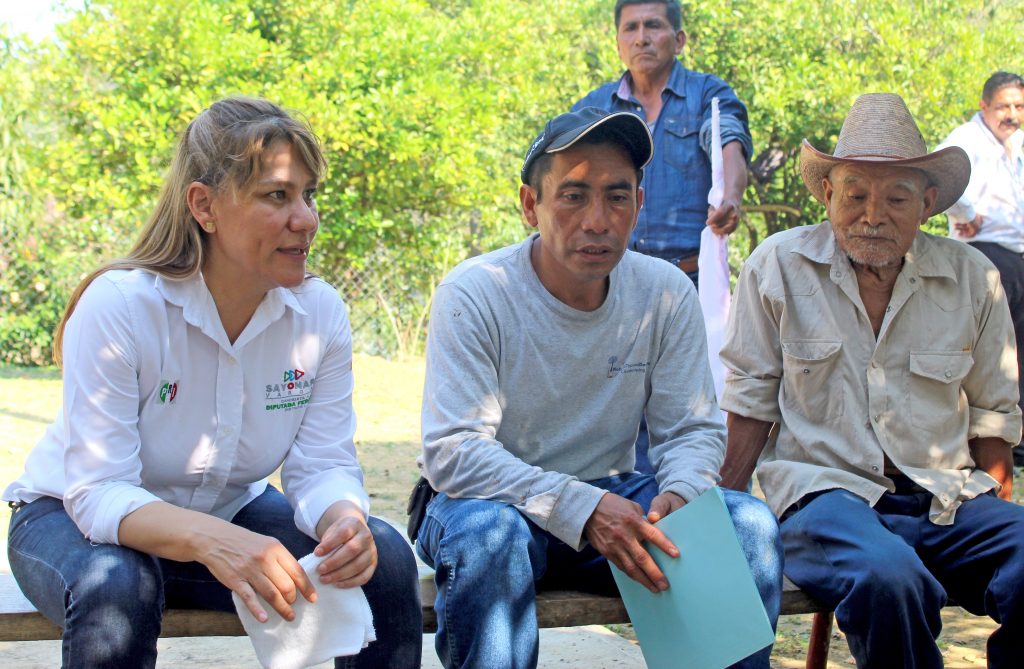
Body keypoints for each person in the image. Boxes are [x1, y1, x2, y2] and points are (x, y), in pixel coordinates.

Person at [3, 97, 421, 669]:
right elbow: (98, 492)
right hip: (70, 516)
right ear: (204, 206)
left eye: (308, 195)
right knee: (118, 582)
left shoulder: (319, 314)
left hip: (231, 512)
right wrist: (217, 543)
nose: (306, 218)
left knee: (387, 558)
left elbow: (321, 464)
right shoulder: (122, 306)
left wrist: (343, 521)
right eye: (277, 195)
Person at [414, 107, 782, 669]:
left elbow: (691, 428)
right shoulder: (476, 293)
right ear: (529, 204)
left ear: (639, 203)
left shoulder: (663, 291)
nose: (597, 220)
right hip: (491, 507)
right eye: (573, 196)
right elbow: (454, 452)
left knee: (746, 523)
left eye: (617, 196)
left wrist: (679, 495)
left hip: (617, 497)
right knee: (490, 538)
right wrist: (582, 509)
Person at [719, 93, 1024, 668]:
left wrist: (993, 516)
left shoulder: (972, 277)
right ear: (827, 195)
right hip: (823, 496)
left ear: (929, 204)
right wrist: (726, 516)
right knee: (889, 577)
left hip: (943, 496)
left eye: (896, 198)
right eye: (855, 195)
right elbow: (751, 400)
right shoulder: (777, 265)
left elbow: (993, 413)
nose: (873, 215)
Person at [573, 0, 752, 287]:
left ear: (679, 40)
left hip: (692, 281)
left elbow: (727, 137)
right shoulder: (593, 107)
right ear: (619, 44)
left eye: (653, 25)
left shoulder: (707, 92)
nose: (641, 38)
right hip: (613, 284)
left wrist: (731, 197)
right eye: (631, 28)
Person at [937, 71, 1024, 467]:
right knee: (989, 350)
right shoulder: (966, 138)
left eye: (1019, 107)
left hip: (1017, 252)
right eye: (1003, 106)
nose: (1011, 114)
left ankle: (1016, 442)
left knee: (1017, 351)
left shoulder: (1016, 144)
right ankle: (978, 440)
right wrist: (967, 213)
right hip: (985, 252)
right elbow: (941, 172)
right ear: (984, 106)